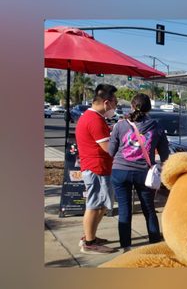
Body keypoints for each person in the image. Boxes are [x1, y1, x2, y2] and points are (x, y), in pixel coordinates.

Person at [108, 93, 170, 252]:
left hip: (120, 171)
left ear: (131, 106)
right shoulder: (157, 126)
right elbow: (165, 154)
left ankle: (126, 247)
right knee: (149, 209)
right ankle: (155, 244)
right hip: (144, 173)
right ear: (149, 108)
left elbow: (111, 151)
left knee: (124, 209)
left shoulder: (120, 125)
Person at [75, 83, 118, 254]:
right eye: (114, 102)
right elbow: (109, 148)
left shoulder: (90, 117)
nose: (115, 106)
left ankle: (89, 236)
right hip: (97, 168)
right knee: (95, 206)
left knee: (100, 205)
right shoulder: (95, 120)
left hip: (96, 167)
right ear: (106, 102)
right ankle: (89, 242)